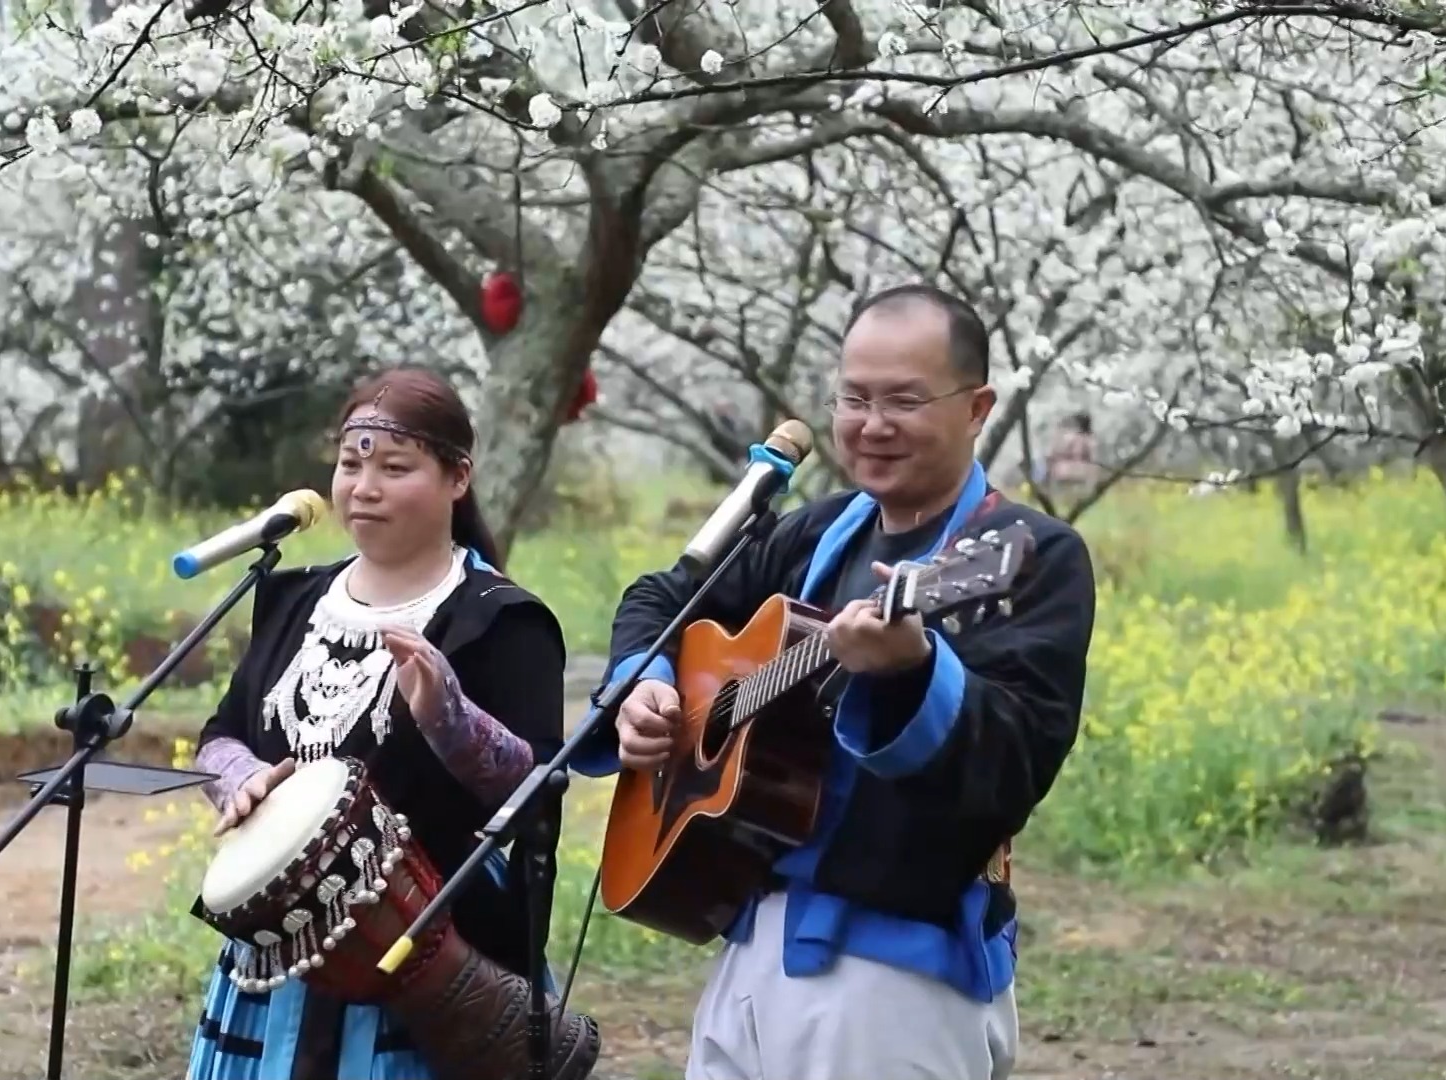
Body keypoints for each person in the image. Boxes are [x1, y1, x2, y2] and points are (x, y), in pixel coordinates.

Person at [572, 284, 1097, 1080]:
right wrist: (644, 681)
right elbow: (662, 598)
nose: (871, 424)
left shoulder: (1026, 555)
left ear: (977, 408)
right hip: (751, 941)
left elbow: (1013, 765)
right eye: (854, 398)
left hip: (895, 977)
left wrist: (913, 671)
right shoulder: (818, 530)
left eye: (904, 401)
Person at [187, 366, 577, 1080]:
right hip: (279, 957)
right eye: (350, 465)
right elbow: (221, 734)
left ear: (458, 478)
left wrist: (450, 719)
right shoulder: (293, 599)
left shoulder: (500, 620)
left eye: (395, 469)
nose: (364, 488)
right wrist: (242, 781)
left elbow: (537, 791)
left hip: (423, 957)